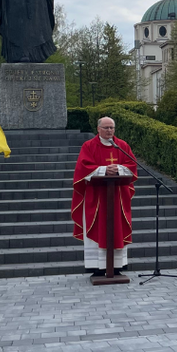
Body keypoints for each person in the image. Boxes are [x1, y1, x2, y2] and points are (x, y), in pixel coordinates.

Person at [72, 117, 138, 275]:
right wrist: (103, 170)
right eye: (106, 128)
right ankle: (97, 267)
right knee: (97, 226)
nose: (109, 131)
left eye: (112, 128)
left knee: (117, 228)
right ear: (98, 129)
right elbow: (83, 167)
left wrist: (118, 169)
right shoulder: (89, 146)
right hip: (96, 196)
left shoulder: (122, 146)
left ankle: (116, 266)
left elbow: (132, 165)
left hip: (118, 196)